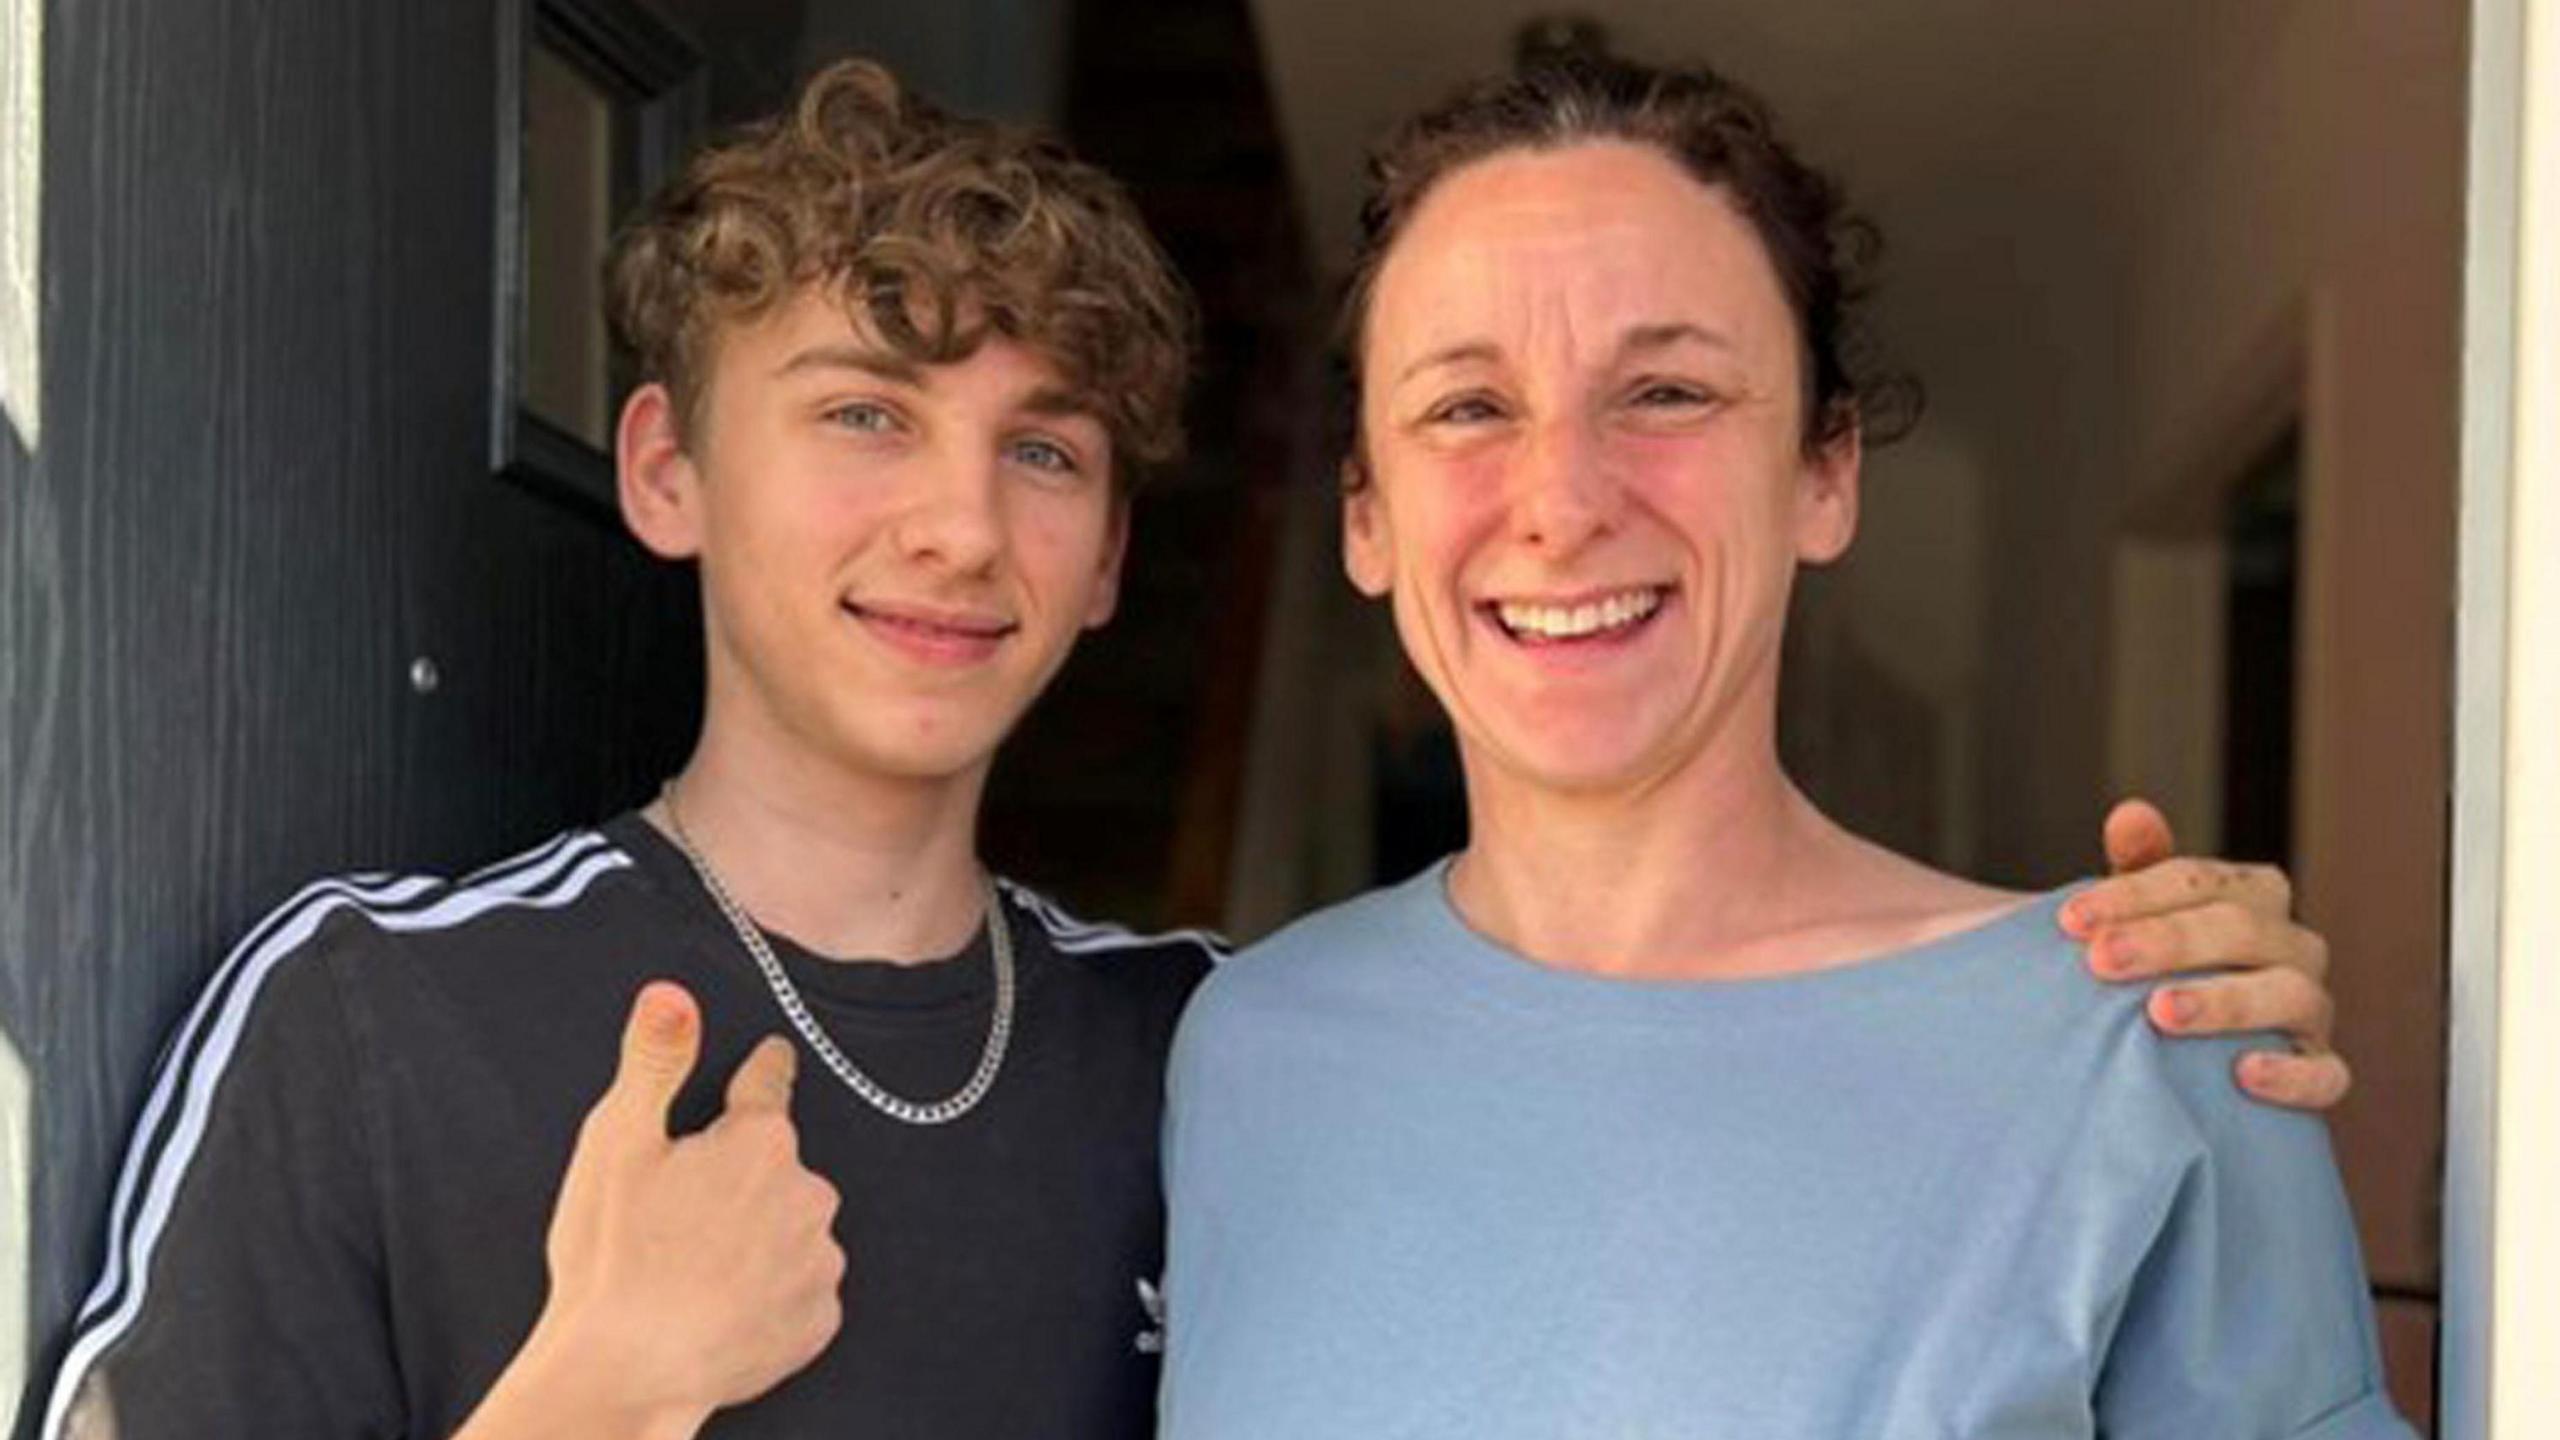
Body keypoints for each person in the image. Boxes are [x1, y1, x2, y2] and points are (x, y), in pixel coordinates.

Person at [43, 57, 2349, 1440]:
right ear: (661, 472)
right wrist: (589, 1393)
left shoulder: (1184, 1041)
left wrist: (2131, 992)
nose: (957, 525)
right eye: (860, 417)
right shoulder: (370, 1014)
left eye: (1047, 454)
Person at [1160, 55, 2411, 1438]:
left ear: (1826, 475)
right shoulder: (1249, 1051)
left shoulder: (2151, 1049)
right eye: (1468, 407)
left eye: (1669, 394)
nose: (1561, 503)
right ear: (1365, 520)